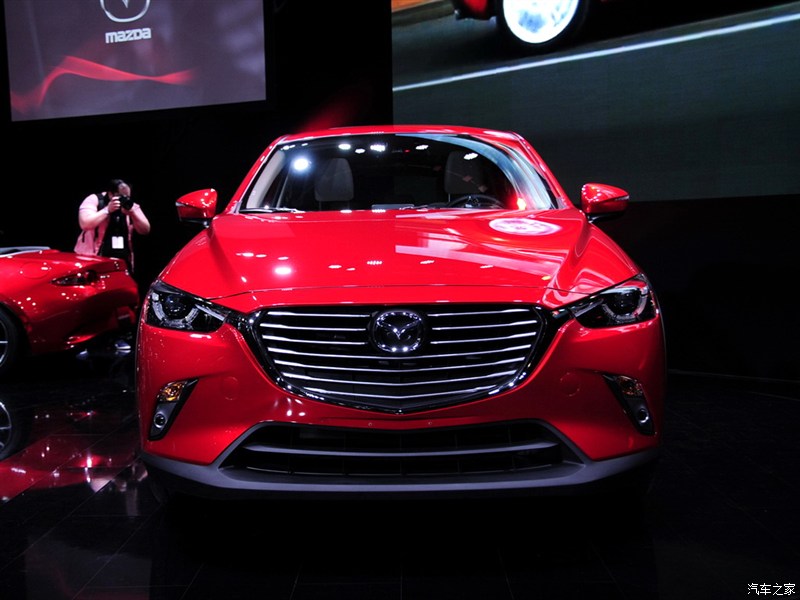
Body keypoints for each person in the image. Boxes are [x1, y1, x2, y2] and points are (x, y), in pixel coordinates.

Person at [75, 178, 151, 273]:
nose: (124, 199)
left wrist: (133, 213)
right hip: (93, 258)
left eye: (127, 196)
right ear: (111, 194)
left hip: (122, 260)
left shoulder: (129, 205)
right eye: (121, 196)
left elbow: (145, 230)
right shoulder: (94, 200)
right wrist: (107, 210)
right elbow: (85, 224)